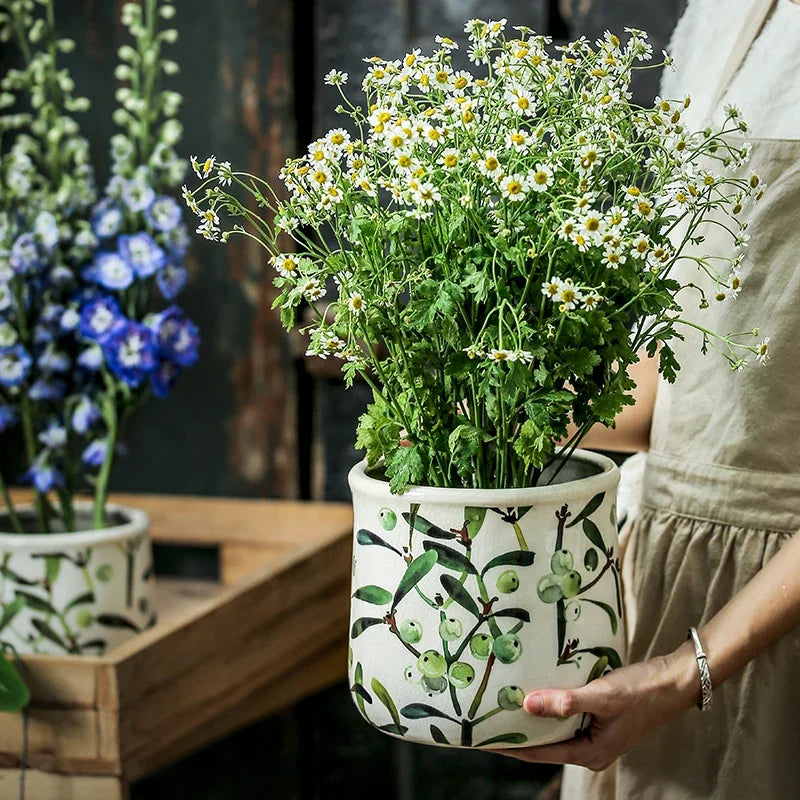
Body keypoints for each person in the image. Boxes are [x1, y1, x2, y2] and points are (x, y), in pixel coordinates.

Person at [503, 1, 800, 797]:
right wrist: (478, 410)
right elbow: (694, 392)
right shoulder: (718, 16)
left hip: (771, 625)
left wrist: (686, 672)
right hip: (666, 596)